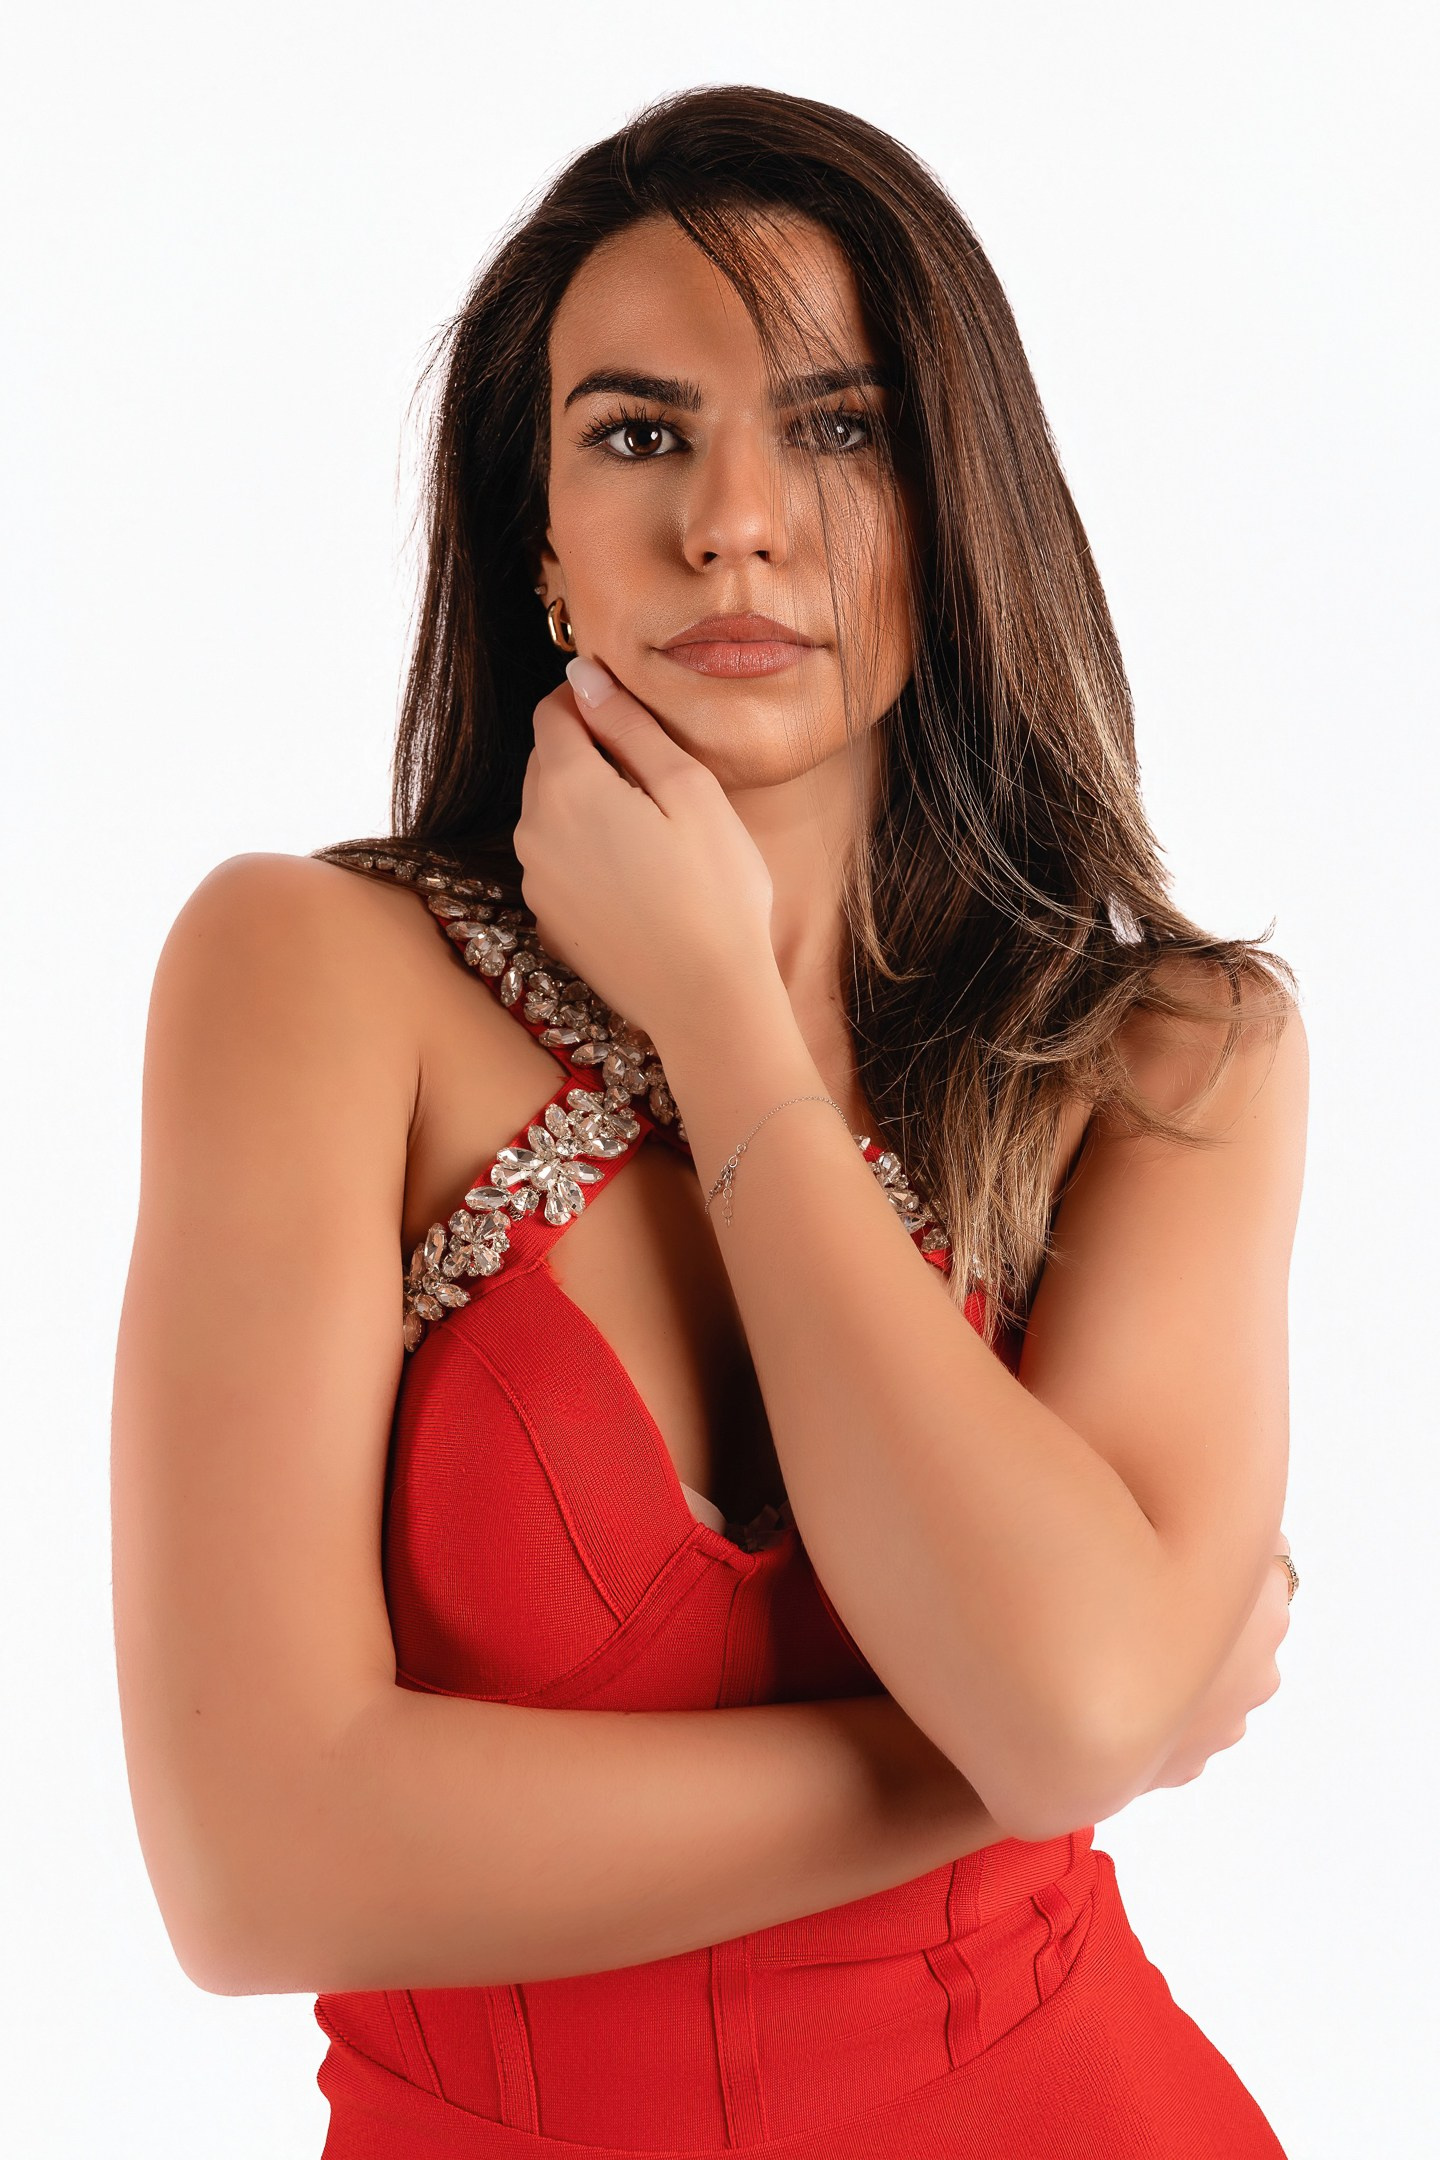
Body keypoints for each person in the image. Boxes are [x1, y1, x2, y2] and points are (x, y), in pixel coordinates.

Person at [111, 85, 1306, 2156]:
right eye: (639, 436)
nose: (735, 521)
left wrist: (723, 1022)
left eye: (839, 429)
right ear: (541, 540)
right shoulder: (306, 976)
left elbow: (1077, 1716)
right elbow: (254, 1865)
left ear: (956, 506)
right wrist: (1009, 1758)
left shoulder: (1170, 1059)